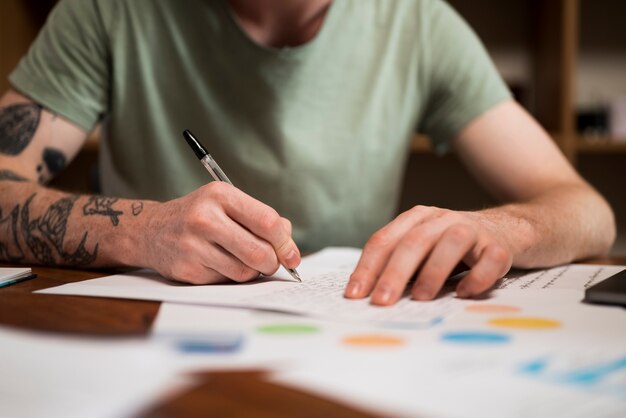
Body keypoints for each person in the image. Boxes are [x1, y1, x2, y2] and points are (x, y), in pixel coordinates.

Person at [0, 0, 615, 306]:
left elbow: (589, 211)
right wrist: (143, 231)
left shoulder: (415, 21)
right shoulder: (109, 11)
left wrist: (499, 226)